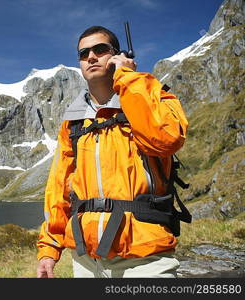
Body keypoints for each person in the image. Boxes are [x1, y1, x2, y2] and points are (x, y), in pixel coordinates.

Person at [36, 25, 189, 278]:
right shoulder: (73, 123)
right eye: (84, 54)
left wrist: (127, 77)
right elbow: (59, 189)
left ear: (117, 55)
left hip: (145, 258)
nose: (91, 57)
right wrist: (49, 249)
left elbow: (165, 139)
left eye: (100, 49)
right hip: (86, 261)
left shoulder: (154, 97)